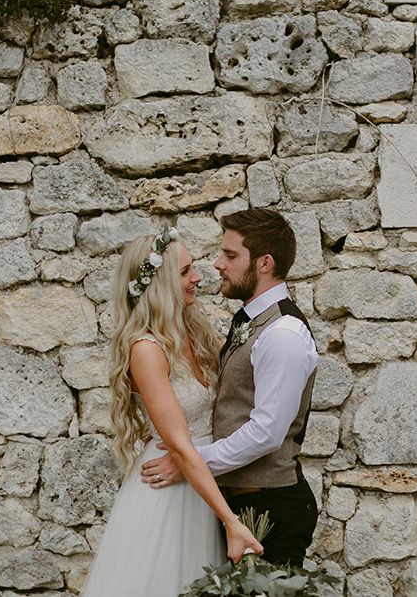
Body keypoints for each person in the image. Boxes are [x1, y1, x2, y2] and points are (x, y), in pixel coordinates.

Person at [80, 227, 262, 597]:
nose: (197, 278)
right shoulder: (147, 349)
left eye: (191, 268)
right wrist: (231, 522)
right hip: (170, 492)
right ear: (158, 285)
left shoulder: (195, 333)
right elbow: (179, 444)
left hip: (202, 481)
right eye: (183, 272)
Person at [141, 208, 319, 568]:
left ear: (264, 263)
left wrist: (190, 462)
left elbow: (267, 433)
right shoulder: (252, 323)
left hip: (270, 507)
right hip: (238, 501)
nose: (218, 263)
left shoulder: (282, 334)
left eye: (231, 254)